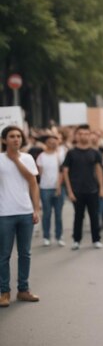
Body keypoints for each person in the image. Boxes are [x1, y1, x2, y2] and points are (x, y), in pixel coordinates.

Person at [0, 126, 41, 307]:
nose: (16, 139)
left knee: (25, 253)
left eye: (18, 136)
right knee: (4, 255)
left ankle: (23, 290)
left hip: (25, 211)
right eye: (11, 136)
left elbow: (33, 183)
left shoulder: (28, 158)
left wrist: (36, 209)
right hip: (4, 213)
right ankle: (4, 292)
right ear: (4, 140)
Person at [62, 124, 103, 250]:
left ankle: (96, 239)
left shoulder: (95, 152)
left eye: (86, 134)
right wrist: (69, 191)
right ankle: (76, 240)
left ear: (90, 135)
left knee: (94, 215)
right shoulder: (71, 153)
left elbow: (99, 170)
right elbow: (65, 172)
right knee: (78, 216)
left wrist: (101, 188)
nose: (83, 136)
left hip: (92, 189)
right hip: (76, 190)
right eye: (80, 134)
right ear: (77, 135)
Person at [35, 135, 65, 247]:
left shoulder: (59, 156)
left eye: (54, 141)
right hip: (45, 188)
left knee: (58, 214)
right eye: (50, 142)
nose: (52, 143)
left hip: (58, 188)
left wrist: (59, 185)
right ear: (46, 143)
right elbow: (40, 173)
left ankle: (59, 236)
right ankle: (46, 236)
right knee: (46, 213)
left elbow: (62, 171)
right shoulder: (41, 156)